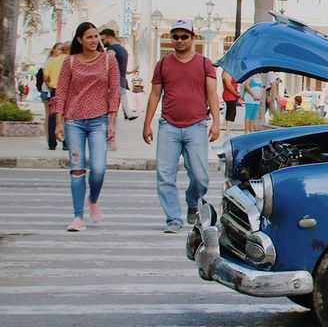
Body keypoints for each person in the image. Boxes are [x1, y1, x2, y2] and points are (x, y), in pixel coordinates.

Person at [142, 19, 221, 233]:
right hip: (168, 125)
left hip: (196, 126)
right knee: (165, 175)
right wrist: (147, 124)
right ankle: (173, 219)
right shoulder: (163, 64)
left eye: (184, 36)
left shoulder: (205, 64)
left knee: (200, 175)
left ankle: (193, 202)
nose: (179, 40)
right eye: (175, 36)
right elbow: (155, 95)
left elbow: (212, 94)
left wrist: (216, 123)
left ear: (193, 38)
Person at [53, 22, 120, 232]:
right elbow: (61, 92)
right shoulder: (70, 62)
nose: (93, 41)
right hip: (74, 122)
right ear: (80, 40)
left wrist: (111, 122)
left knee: (98, 169)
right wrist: (58, 122)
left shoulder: (109, 60)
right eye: (89, 37)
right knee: (77, 169)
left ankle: (93, 199)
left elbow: (114, 92)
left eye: (95, 36)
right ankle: (77, 216)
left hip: (99, 121)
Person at [98, 28, 138, 121]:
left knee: (110, 107)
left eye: (103, 40)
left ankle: (127, 113)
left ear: (109, 37)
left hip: (113, 80)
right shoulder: (123, 49)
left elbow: (107, 63)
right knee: (122, 97)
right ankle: (128, 112)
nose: (102, 42)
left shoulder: (112, 49)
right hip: (122, 79)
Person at [42, 43, 67, 150]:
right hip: (67, 90)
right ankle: (66, 142)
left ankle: (52, 143)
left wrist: (50, 85)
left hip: (55, 90)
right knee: (67, 117)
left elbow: (46, 76)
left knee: (52, 116)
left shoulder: (53, 61)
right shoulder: (71, 60)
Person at [220, 68, 240, 138]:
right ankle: (227, 133)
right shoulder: (226, 73)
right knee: (231, 112)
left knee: (231, 112)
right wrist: (236, 94)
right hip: (229, 95)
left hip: (232, 95)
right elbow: (228, 85)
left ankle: (227, 132)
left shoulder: (231, 72)